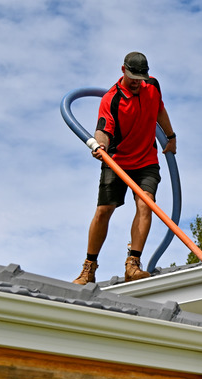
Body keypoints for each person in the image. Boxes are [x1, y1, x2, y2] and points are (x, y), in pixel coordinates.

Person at [73, 52, 177, 285]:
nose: (136, 82)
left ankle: (133, 264)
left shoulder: (152, 86)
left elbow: (159, 110)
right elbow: (103, 129)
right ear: (123, 70)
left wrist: (170, 136)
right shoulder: (111, 99)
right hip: (117, 161)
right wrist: (100, 145)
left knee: (146, 202)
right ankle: (89, 268)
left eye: (140, 78)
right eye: (132, 77)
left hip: (146, 160)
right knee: (104, 210)